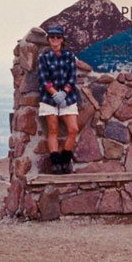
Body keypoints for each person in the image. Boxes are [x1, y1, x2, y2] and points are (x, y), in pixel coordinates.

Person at [37, 25, 80, 174]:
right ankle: (55, 163)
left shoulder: (69, 56)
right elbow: (43, 78)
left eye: (58, 37)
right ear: (48, 39)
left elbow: (72, 77)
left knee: (73, 129)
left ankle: (65, 158)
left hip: (68, 97)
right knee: (53, 129)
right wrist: (55, 94)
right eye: (52, 37)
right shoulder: (43, 57)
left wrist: (64, 93)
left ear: (62, 39)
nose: (55, 39)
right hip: (49, 98)